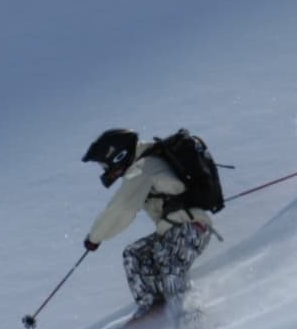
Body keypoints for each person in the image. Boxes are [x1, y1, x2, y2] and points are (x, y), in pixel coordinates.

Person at [80, 128, 219, 318]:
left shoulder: (143, 168)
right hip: (171, 230)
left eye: (104, 165)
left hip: (191, 227)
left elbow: (121, 207)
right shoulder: (144, 165)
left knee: (171, 268)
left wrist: (95, 237)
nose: (105, 171)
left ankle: (190, 315)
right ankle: (153, 305)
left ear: (118, 156)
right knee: (134, 254)